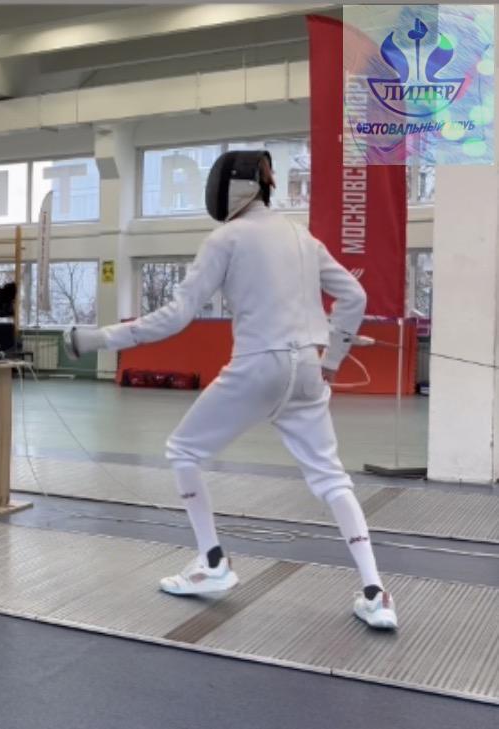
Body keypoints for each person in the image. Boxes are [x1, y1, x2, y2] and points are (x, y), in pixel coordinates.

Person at [69, 150, 398, 631]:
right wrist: (333, 357)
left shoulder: (226, 238)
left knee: (183, 450)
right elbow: (354, 295)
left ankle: (213, 562)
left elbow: (177, 316)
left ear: (233, 187)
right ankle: (375, 593)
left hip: (258, 364)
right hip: (308, 369)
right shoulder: (302, 236)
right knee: (331, 479)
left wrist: (100, 338)